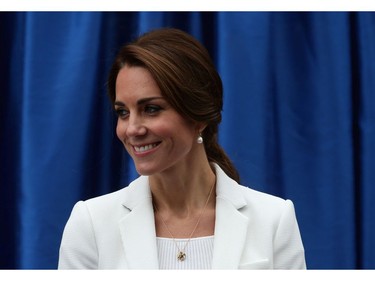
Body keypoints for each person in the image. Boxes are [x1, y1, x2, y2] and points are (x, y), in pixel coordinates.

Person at [58, 28, 306, 269]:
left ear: (198, 116)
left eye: (151, 109)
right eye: (123, 112)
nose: (132, 129)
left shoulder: (274, 220)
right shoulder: (90, 224)